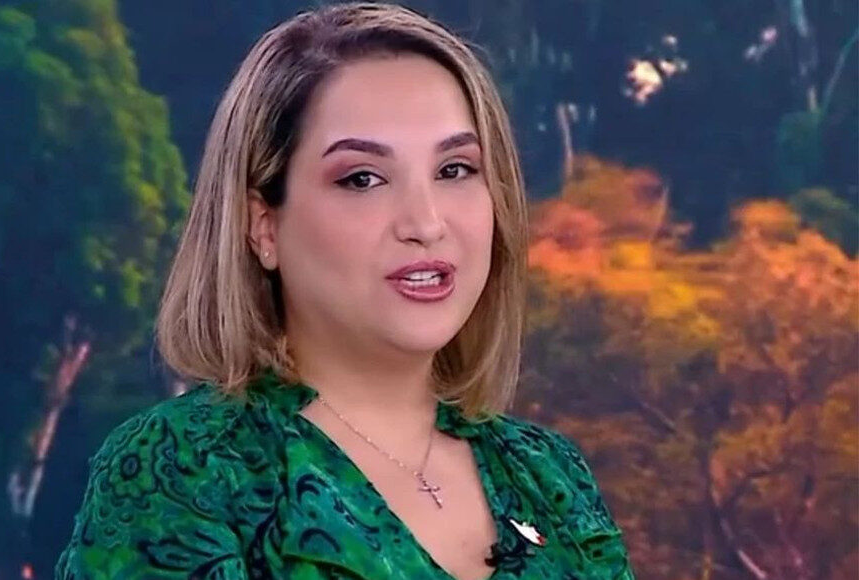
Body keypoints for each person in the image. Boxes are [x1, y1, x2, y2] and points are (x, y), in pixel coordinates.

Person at [55, 2, 636, 579]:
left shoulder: (548, 475)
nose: (426, 223)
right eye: (363, 178)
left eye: (455, 169)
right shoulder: (188, 468)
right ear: (264, 226)